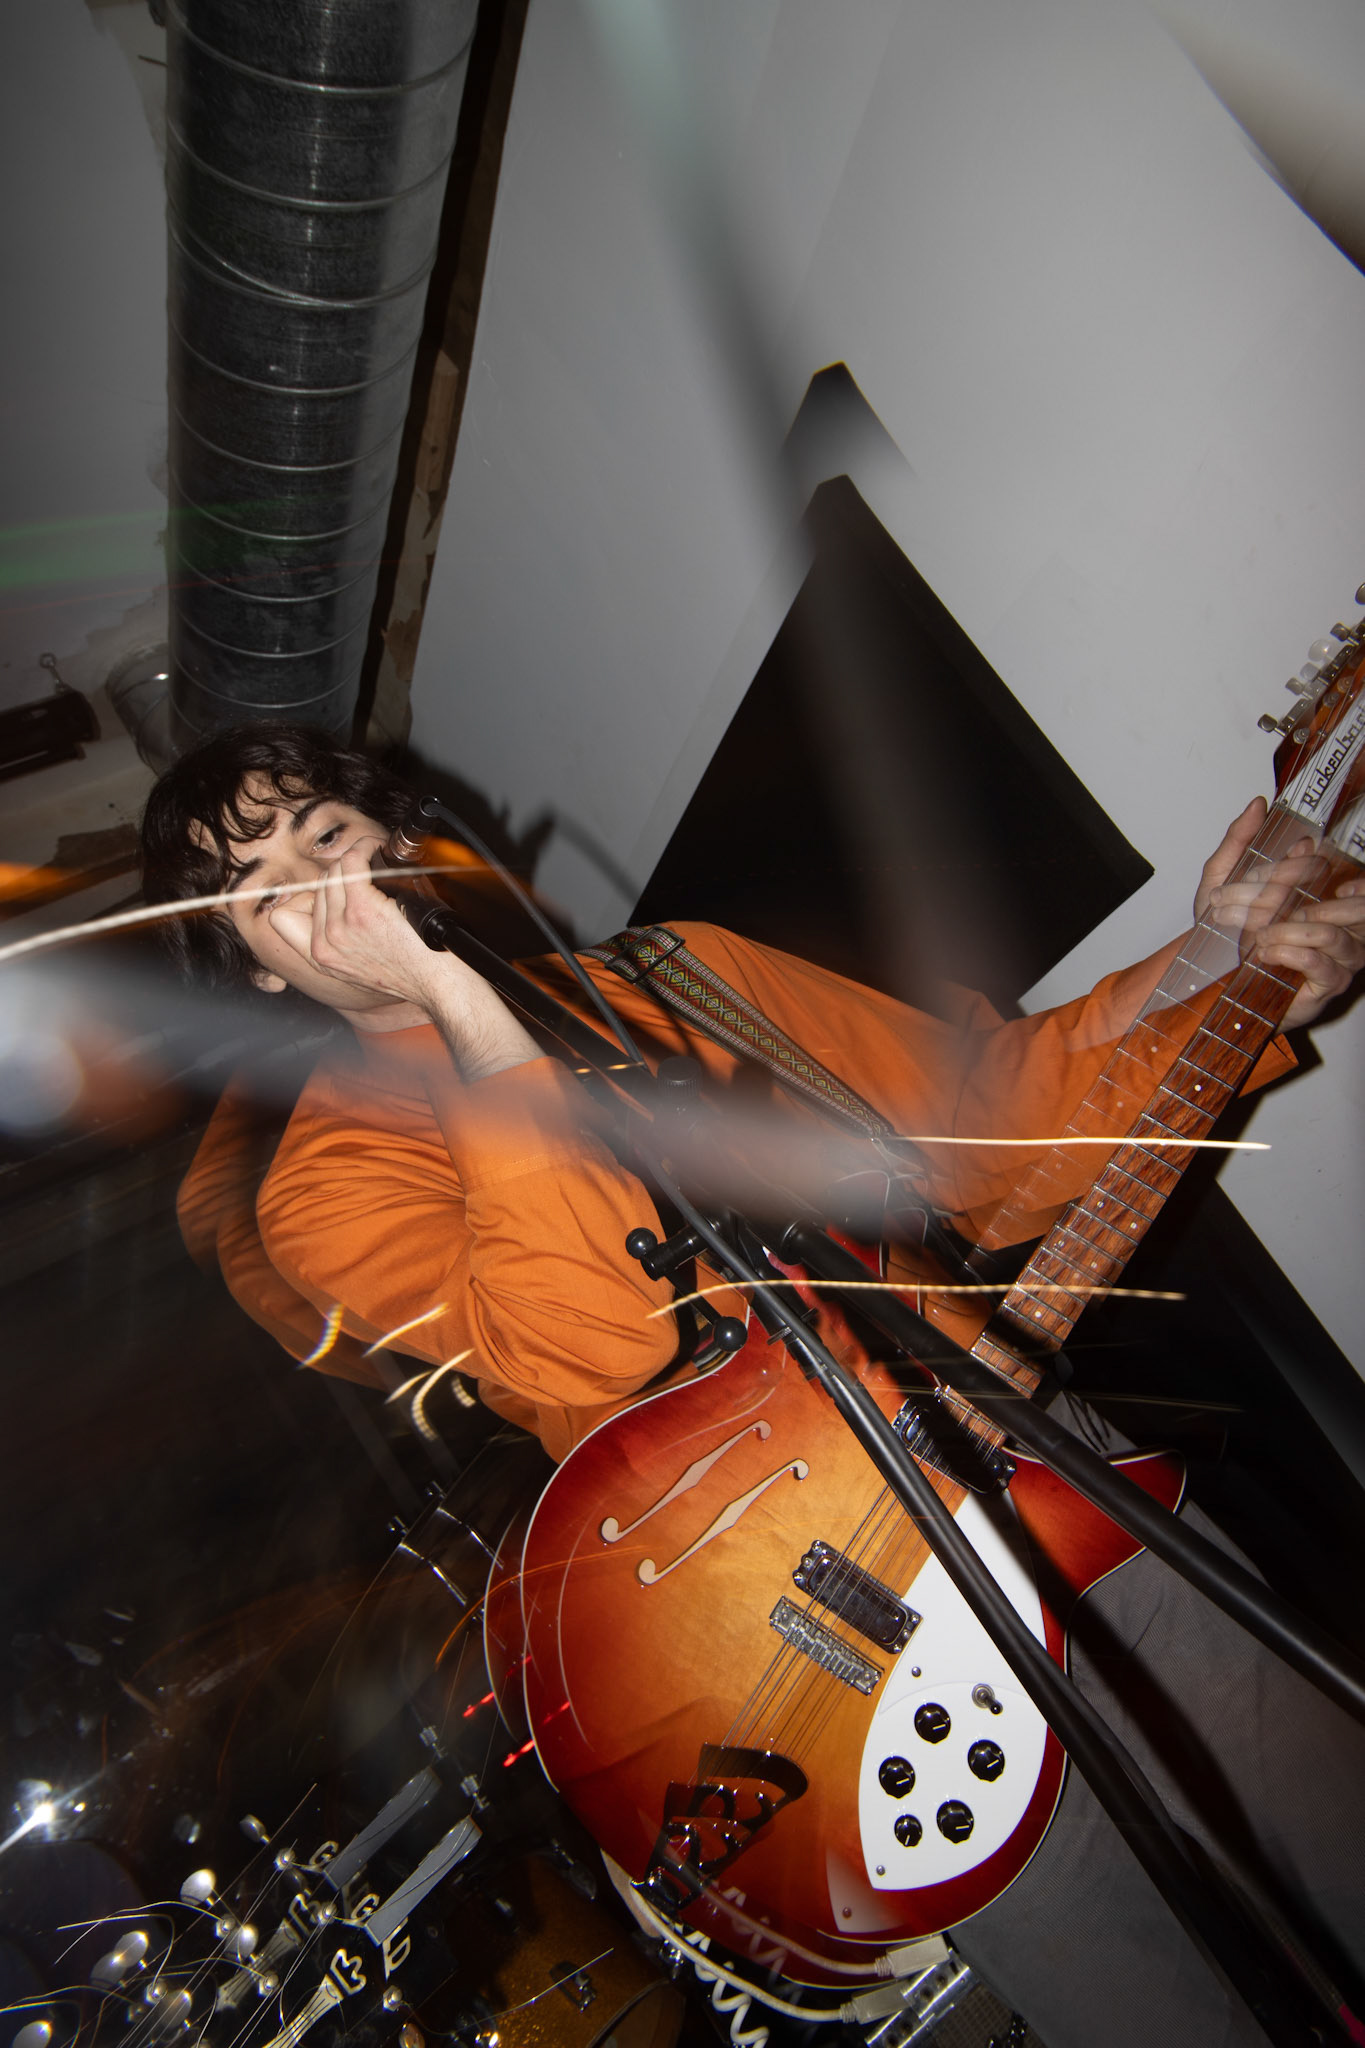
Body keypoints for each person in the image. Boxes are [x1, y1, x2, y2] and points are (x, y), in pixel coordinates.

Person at [141, 721, 1365, 2048]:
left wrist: (1219, 964)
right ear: (255, 971)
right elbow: (598, 1334)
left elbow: (983, 1123)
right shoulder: (324, 1188)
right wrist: (455, 1004)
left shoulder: (679, 974)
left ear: (396, 836)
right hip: (796, 1630)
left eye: (326, 833)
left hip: (1020, 1462)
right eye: (265, 893)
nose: (325, 888)